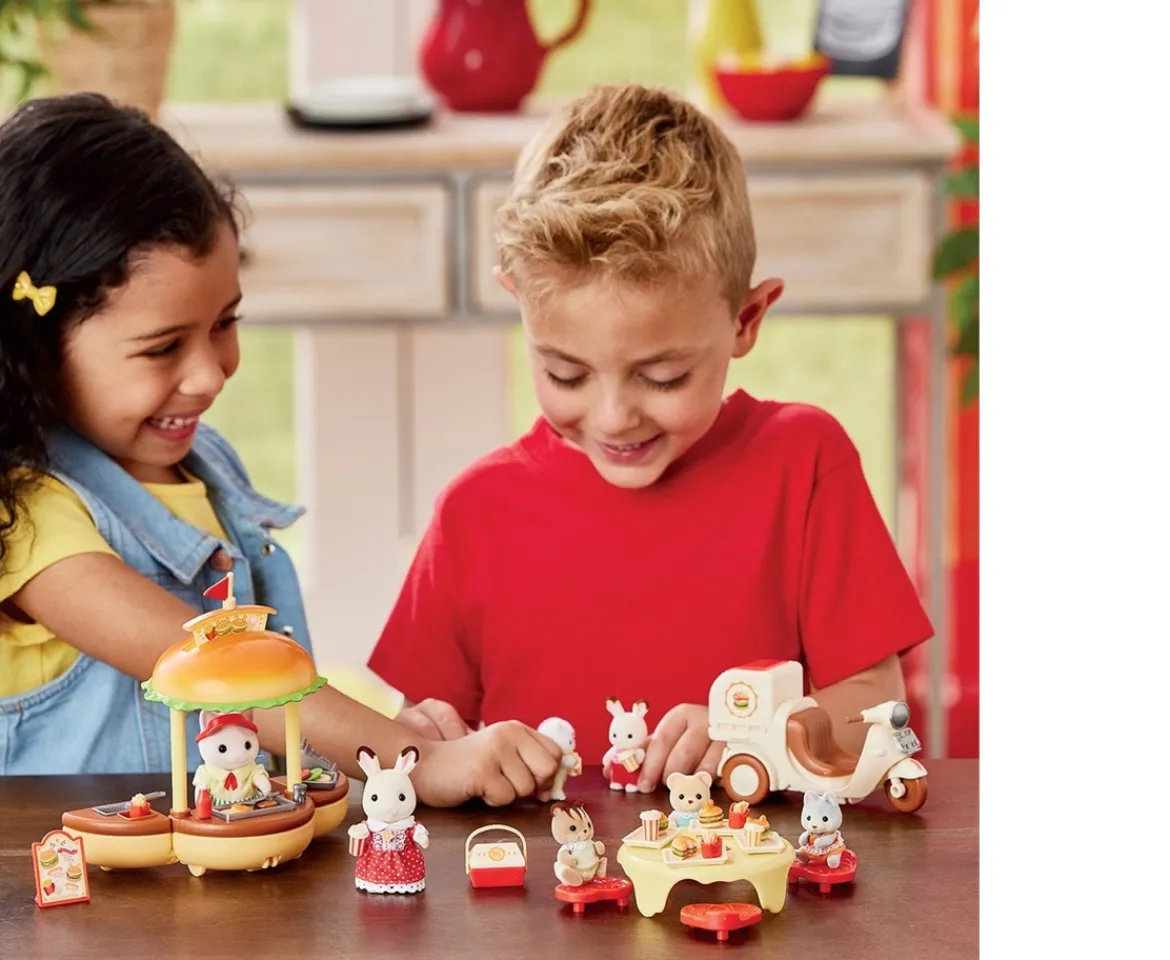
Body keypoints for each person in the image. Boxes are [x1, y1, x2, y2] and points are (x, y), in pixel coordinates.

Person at [0, 93, 563, 808]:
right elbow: (217, 667)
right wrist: (415, 761)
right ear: (37, 348)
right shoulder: (30, 519)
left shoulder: (205, 467)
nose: (210, 375)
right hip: (81, 875)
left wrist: (385, 738)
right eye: (163, 348)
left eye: (225, 322)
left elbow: (270, 714)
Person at [371, 83, 934, 793]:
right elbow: (422, 745)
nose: (614, 417)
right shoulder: (475, 513)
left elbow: (877, 717)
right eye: (566, 373)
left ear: (746, 321)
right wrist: (421, 740)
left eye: (663, 377)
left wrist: (754, 737)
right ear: (520, 305)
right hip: (542, 866)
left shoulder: (804, 465)